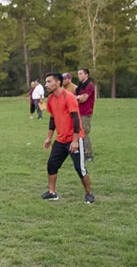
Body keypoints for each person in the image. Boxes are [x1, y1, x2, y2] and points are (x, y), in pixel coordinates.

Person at [40, 72, 93, 203]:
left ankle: (89, 193)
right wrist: (49, 138)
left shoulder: (69, 97)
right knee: (52, 165)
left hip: (74, 138)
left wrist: (75, 141)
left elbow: (76, 120)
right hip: (60, 139)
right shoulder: (50, 99)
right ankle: (52, 193)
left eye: (49, 81)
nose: (46, 85)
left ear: (58, 82)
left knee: (79, 168)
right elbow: (52, 119)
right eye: (46, 82)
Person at [75, 68, 96, 161]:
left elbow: (84, 99)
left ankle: (88, 154)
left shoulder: (89, 85)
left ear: (86, 75)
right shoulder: (80, 86)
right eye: (78, 74)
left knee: (84, 133)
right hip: (78, 112)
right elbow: (75, 97)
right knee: (78, 132)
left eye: (80, 74)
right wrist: (78, 97)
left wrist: (78, 97)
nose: (79, 76)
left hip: (86, 113)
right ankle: (80, 151)